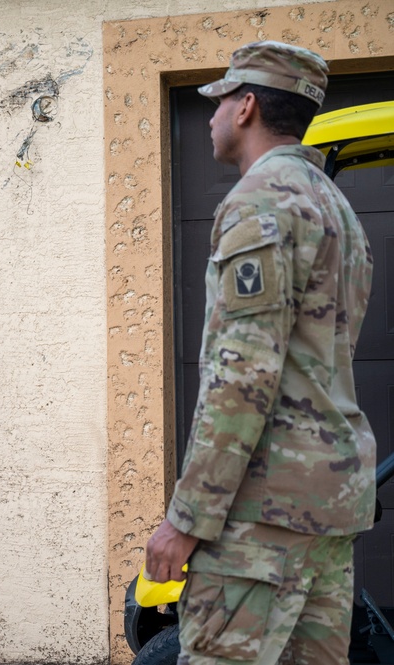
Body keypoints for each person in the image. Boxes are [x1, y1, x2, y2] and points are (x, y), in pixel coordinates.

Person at [145, 42, 376, 663]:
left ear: (245, 106)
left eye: (217, 101)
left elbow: (242, 375)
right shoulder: (338, 209)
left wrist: (187, 517)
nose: (211, 117)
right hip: (328, 509)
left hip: (261, 517)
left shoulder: (260, 201)